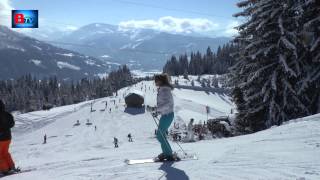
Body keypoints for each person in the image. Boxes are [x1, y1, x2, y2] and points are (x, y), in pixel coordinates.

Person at [154, 74, 178, 161]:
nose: (155, 82)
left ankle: (168, 154)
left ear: (161, 81)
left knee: (160, 136)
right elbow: (163, 104)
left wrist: (156, 109)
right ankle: (167, 152)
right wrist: (157, 111)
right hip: (166, 115)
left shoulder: (165, 90)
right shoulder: (163, 89)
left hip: (167, 115)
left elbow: (168, 104)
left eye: (156, 80)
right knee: (162, 135)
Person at [0, 100, 17, 175]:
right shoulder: (7, 114)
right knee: (5, 153)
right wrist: (5, 127)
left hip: (1, 138)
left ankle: (5, 169)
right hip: (8, 137)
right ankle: (11, 167)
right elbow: (12, 124)